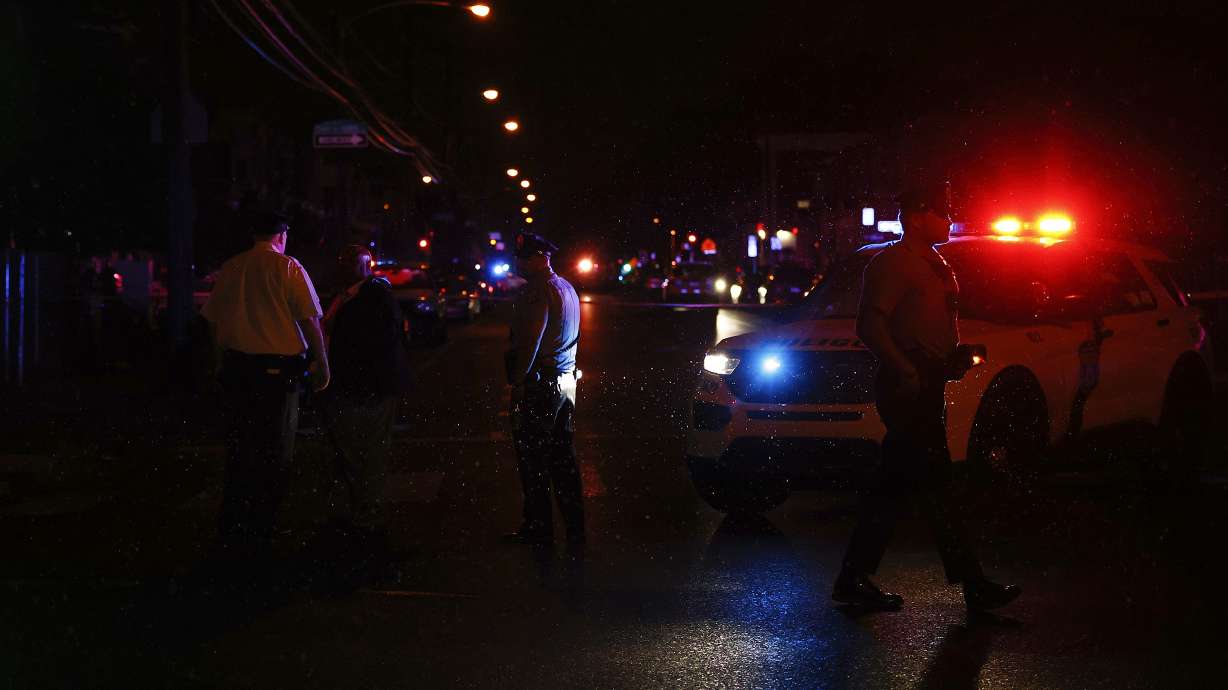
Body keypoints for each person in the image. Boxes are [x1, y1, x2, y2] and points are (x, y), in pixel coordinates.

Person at [833, 181, 1020, 612]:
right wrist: (907, 369)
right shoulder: (894, 263)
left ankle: (854, 578)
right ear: (917, 216)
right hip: (908, 387)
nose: (948, 218)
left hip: (924, 381)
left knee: (898, 485)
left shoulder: (934, 262)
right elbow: (870, 326)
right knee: (933, 485)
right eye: (940, 211)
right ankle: (973, 585)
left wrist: (950, 359)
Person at [201, 211, 330, 559]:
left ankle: (234, 525)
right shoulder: (288, 268)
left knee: (241, 446)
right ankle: (264, 527)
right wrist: (322, 362)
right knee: (275, 449)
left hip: (239, 369)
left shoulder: (232, 268)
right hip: (278, 371)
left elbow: (215, 323)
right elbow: (309, 319)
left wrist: (217, 363)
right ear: (282, 235)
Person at [320, 245, 412, 542]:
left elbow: (373, 342)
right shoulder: (353, 295)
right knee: (359, 450)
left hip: (363, 386)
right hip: (359, 385)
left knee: (365, 451)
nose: (345, 267)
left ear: (366, 266)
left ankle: (366, 515)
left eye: (352, 262)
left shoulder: (372, 296)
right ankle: (361, 511)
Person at [503, 232, 584, 547]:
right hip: (565, 382)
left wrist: (519, 380)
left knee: (533, 460)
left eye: (522, 258)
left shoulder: (537, 291)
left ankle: (539, 528)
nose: (518, 263)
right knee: (564, 458)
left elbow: (530, 341)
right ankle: (574, 528)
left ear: (539, 257)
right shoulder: (566, 287)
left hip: (542, 384)